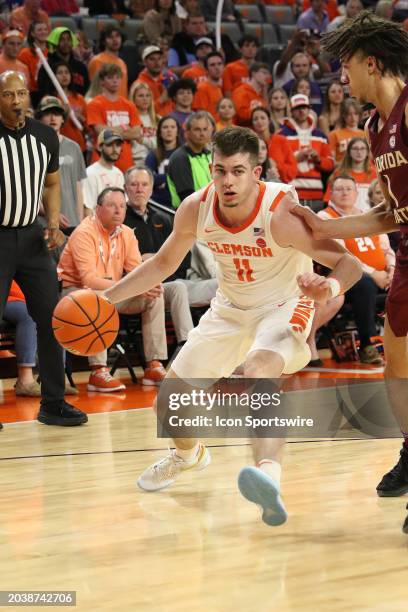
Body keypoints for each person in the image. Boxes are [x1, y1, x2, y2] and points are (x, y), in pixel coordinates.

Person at [102, 126, 362, 525]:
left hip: (283, 306)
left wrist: (328, 285)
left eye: (238, 171)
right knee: (168, 406)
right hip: (229, 310)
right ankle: (188, 456)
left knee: (258, 371)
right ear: (211, 168)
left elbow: (350, 264)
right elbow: (161, 265)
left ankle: (268, 477)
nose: (227, 181)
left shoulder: (281, 215)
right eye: (220, 170)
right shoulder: (196, 207)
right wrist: (104, 300)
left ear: (256, 172)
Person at [291, 11, 408, 531]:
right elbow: (388, 213)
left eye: (347, 66)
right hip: (406, 250)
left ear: (373, 63)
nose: (343, 78)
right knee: (396, 363)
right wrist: (322, 228)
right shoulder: (372, 125)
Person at [0, 71, 87, 429]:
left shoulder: (45, 136)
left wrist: (52, 222)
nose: (17, 100)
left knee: (52, 320)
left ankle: (53, 402)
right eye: (8, 94)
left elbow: (52, 183)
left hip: (35, 238)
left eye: (21, 93)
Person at [58, 187, 168, 391]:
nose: (118, 211)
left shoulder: (126, 233)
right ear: (97, 209)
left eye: (122, 206)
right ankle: (98, 370)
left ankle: (153, 365)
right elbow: (89, 280)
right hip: (75, 295)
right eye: (111, 205)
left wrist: (144, 286)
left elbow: (137, 272)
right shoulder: (84, 232)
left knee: (154, 295)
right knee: (95, 297)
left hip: (113, 293)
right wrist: (133, 288)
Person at [308, 174, 395, 365]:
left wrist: (392, 269)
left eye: (349, 189)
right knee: (364, 283)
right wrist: (373, 274)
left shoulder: (368, 215)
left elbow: (387, 249)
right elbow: (342, 256)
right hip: (347, 276)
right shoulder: (325, 217)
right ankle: (367, 345)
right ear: (331, 193)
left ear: (357, 193)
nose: (345, 192)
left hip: (381, 274)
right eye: (340, 189)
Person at [124, 167, 194, 348]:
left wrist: (157, 259)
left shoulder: (164, 219)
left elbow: (185, 258)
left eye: (144, 184)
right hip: (136, 287)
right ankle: (161, 360)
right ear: (126, 188)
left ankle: (187, 346)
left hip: (169, 282)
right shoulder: (120, 220)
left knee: (185, 287)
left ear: (151, 188)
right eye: (134, 184)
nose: (139, 189)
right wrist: (142, 262)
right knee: (168, 289)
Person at [36, 96, 86, 233]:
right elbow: (29, 191)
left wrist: (80, 220)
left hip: (72, 223)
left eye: (57, 113)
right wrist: (50, 214)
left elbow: (77, 187)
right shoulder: (32, 148)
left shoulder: (74, 147)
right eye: (47, 113)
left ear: (63, 118)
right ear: (39, 118)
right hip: (45, 224)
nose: (53, 118)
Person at [280, 93, 333, 206]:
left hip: (316, 193)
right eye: (298, 108)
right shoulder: (282, 135)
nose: (301, 111)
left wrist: (318, 160)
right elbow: (278, 164)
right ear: (291, 111)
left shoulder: (320, 136)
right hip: (291, 193)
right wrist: (295, 158)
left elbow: (330, 164)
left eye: (304, 107)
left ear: (309, 109)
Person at [87, 63, 142, 173]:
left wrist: (111, 130)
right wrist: (125, 129)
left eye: (117, 77)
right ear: (102, 81)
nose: (115, 81)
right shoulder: (94, 104)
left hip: (126, 163)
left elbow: (137, 133)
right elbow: (101, 131)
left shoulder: (129, 105)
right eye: (110, 77)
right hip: (101, 162)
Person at [166, 110, 212, 208]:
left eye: (205, 129)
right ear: (187, 133)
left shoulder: (210, 155)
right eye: (197, 129)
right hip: (189, 215)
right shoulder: (180, 158)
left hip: (208, 211)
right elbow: (187, 197)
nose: (202, 133)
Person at [324, 137, 376, 209]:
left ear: (368, 152)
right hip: (345, 217)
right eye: (355, 148)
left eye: (362, 148)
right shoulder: (339, 174)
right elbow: (329, 201)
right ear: (349, 152)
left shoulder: (375, 174)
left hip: (369, 217)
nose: (359, 152)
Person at [37, 27, 89, 97]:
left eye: (68, 39)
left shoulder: (81, 67)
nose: (66, 42)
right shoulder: (47, 67)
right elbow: (43, 91)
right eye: (61, 39)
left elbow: (87, 90)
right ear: (55, 43)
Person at [82, 129, 125, 213]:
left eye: (118, 145)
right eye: (110, 145)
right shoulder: (90, 173)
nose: (114, 149)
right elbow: (87, 208)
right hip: (96, 224)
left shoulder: (119, 173)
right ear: (99, 147)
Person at [250, 107, 297, 184]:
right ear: (252, 123)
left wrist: (277, 165)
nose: (259, 121)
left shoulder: (281, 140)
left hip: (279, 186)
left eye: (262, 118)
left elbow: (293, 171)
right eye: (255, 119)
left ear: (269, 120)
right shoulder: (249, 143)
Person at [145, 115, 182, 208]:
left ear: (177, 131)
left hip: (181, 204)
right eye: (165, 127)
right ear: (160, 132)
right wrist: (171, 176)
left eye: (172, 127)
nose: (169, 130)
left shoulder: (184, 154)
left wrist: (160, 178)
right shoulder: (152, 155)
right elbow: (148, 180)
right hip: (158, 204)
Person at [52, 60, 88, 154]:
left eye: (66, 72)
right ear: (53, 76)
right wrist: (65, 114)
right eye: (60, 73)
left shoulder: (79, 98)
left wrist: (81, 118)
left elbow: (87, 127)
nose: (64, 75)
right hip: (59, 146)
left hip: (79, 146)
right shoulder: (51, 99)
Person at [88, 26, 128, 99]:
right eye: (110, 37)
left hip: (121, 106)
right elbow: (95, 89)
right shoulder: (97, 61)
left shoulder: (122, 63)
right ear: (103, 41)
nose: (115, 40)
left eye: (117, 36)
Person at [136, 45, 177, 116]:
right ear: (145, 62)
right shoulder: (139, 84)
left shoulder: (169, 78)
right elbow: (140, 111)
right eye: (152, 59)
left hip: (170, 122)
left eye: (159, 58)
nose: (157, 62)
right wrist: (161, 100)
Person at [18, 21, 49, 107]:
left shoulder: (52, 52)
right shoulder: (24, 54)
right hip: (32, 93)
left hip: (50, 92)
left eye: (45, 29)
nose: (43, 32)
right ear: (32, 33)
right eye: (39, 30)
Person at [129, 81, 159, 166]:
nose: (145, 99)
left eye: (147, 96)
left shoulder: (158, 119)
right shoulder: (128, 120)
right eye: (141, 96)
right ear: (133, 98)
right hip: (135, 163)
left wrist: (143, 140)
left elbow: (161, 144)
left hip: (155, 162)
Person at [232, 62, 270, 127]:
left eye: (268, 74)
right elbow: (240, 115)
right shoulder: (241, 91)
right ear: (253, 73)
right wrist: (258, 113)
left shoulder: (261, 94)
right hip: (242, 132)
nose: (267, 76)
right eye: (264, 73)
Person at [329, 98, 365, 165]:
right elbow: (331, 162)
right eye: (349, 114)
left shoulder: (365, 134)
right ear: (343, 115)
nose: (353, 117)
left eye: (355, 114)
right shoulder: (334, 134)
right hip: (342, 173)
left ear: (359, 115)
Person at [193, 51, 224, 120]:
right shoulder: (202, 88)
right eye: (212, 65)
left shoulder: (219, 87)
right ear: (206, 70)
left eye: (219, 64)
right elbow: (200, 116)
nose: (217, 67)